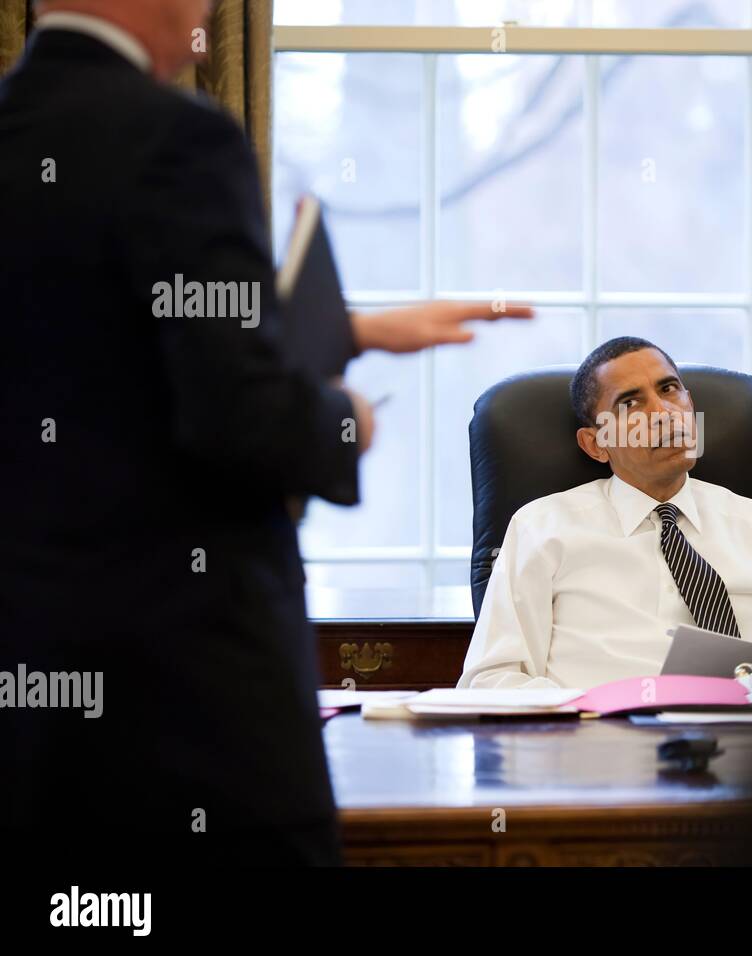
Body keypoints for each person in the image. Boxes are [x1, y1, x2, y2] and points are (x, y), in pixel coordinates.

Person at [0, 0, 528, 864]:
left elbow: (97, 351)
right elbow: (240, 416)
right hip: (183, 706)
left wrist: (345, 329)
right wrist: (342, 420)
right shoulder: (178, 137)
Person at [459, 337, 752, 689]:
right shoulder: (542, 529)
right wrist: (590, 715)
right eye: (631, 402)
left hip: (748, 771)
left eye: (670, 390)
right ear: (596, 443)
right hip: (599, 768)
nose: (662, 412)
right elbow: (490, 681)